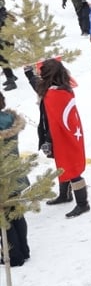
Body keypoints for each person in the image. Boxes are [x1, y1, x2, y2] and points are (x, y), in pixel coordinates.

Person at [28, 59, 90, 218]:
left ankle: (83, 204)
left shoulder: (55, 94)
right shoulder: (61, 89)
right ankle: (65, 195)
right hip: (64, 135)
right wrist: (29, 74)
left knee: (72, 168)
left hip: (63, 136)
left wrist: (48, 139)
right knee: (62, 163)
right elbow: (40, 89)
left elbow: (54, 118)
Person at [0, 92, 28, 266]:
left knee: (5, 218)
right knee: (17, 213)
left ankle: (13, 256)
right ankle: (24, 249)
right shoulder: (10, 119)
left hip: (2, 178)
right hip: (15, 173)